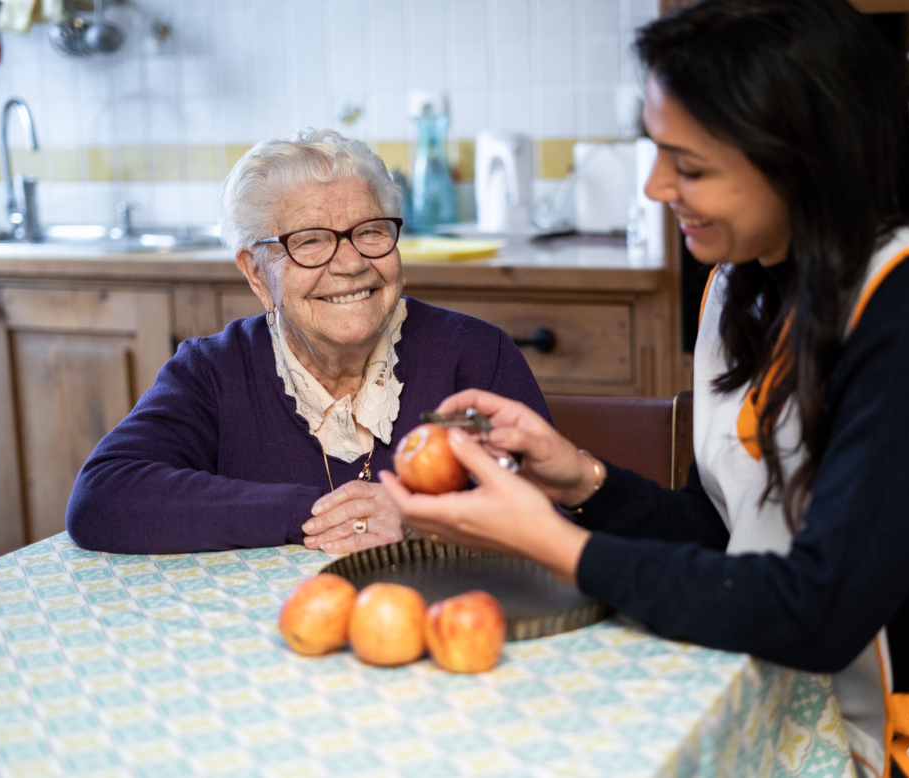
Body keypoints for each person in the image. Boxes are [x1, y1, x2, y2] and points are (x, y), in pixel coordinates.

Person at [379, 2, 909, 777]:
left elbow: (818, 607)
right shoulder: (743, 285)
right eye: (655, 150)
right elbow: (731, 539)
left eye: (689, 166)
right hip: (825, 709)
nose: (654, 187)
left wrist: (551, 542)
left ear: (801, 159)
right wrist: (579, 477)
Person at [66, 128, 549, 556]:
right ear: (257, 274)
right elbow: (102, 498)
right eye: (311, 241)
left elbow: (552, 515)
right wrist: (316, 510)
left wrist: (420, 519)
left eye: (371, 231)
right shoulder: (214, 371)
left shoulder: (476, 354)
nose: (351, 263)